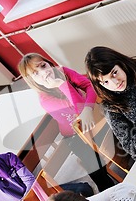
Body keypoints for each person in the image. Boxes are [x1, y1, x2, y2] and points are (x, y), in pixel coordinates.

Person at [18, 53, 114, 192]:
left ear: (49, 63)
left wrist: (88, 108)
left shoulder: (63, 71)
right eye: (36, 73)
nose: (44, 73)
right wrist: (62, 84)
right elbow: (78, 108)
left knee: (115, 125)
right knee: (92, 162)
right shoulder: (45, 101)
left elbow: (89, 85)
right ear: (32, 80)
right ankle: (108, 190)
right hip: (73, 135)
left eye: (43, 66)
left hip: (93, 119)